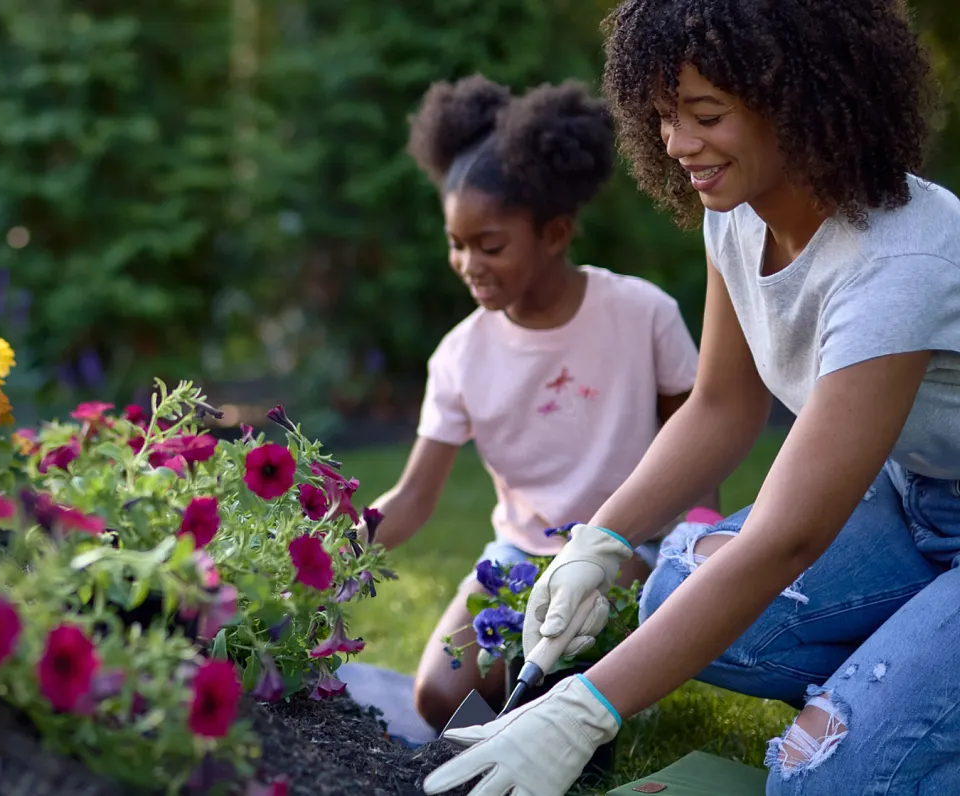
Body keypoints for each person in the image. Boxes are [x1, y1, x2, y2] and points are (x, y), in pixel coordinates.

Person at [425, 2, 960, 794]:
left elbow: (788, 537)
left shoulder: (902, 255)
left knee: (819, 779)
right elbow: (719, 409)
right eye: (664, 117)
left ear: (800, 99)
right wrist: (599, 544)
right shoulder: (738, 219)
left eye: (706, 116)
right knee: (677, 584)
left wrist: (590, 705)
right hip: (916, 497)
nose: (677, 146)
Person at [367, 73, 719, 732]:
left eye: (490, 245)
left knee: (554, 682)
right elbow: (414, 498)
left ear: (555, 234)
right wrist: (344, 541)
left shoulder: (641, 313)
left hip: (627, 551)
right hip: (519, 559)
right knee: (440, 699)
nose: (469, 262)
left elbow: (701, 444)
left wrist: (696, 553)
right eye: (456, 244)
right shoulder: (459, 355)